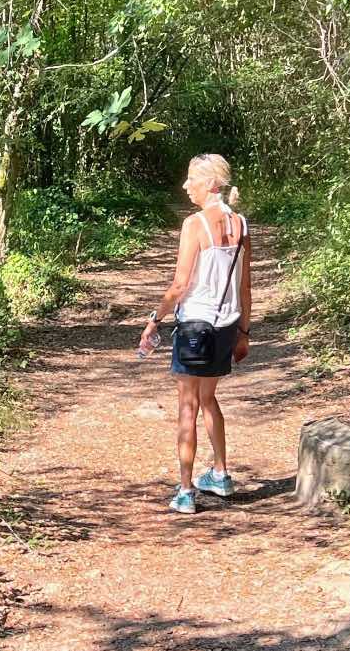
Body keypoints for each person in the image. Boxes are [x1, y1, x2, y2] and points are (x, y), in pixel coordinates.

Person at [136, 153, 252, 514]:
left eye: (192, 180)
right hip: (225, 327)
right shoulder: (241, 224)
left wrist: (154, 319)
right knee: (208, 400)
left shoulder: (195, 225)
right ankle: (221, 474)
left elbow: (180, 284)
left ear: (211, 185)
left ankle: (185, 492)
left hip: (195, 328)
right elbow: (245, 287)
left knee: (187, 407)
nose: (186, 186)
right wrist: (244, 332)